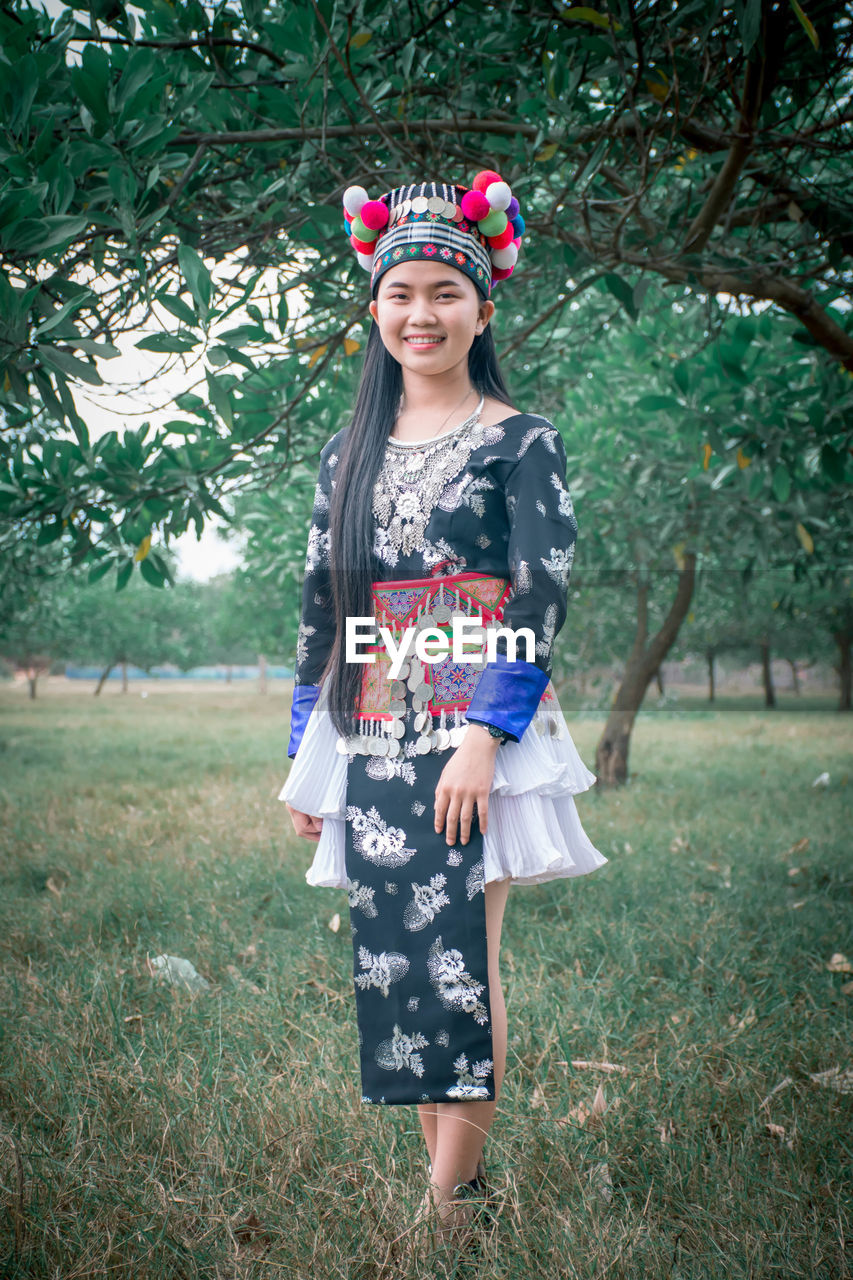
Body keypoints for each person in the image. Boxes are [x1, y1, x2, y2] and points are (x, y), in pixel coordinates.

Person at [279, 175, 608, 1255]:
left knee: (462, 945)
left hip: (481, 723)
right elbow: (325, 603)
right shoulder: (347, 448)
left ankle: (444, 1205)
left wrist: (482, 732)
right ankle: (450, 1178)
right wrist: (305, 753)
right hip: (371, 714)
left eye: (442, 293)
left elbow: (539, 589)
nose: (419, 313)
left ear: (482, 306)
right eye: (399, 293)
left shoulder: (522, 438)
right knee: (398, 952)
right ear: (373, 307)